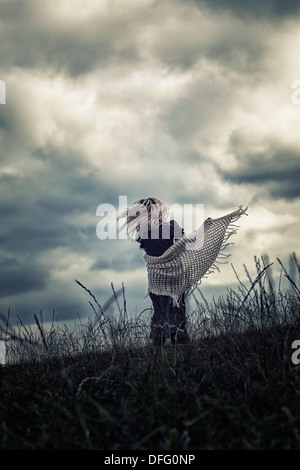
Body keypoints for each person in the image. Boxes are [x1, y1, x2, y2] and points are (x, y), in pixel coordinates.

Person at [119, 197, 190, 347]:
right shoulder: (172, 226)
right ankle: (179, 342)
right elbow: (184, 244)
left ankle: (158, 347)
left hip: (156, 280)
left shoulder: (143, 234)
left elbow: (147, 248)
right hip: (175, 277)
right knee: (177, 309)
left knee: (160, 313)